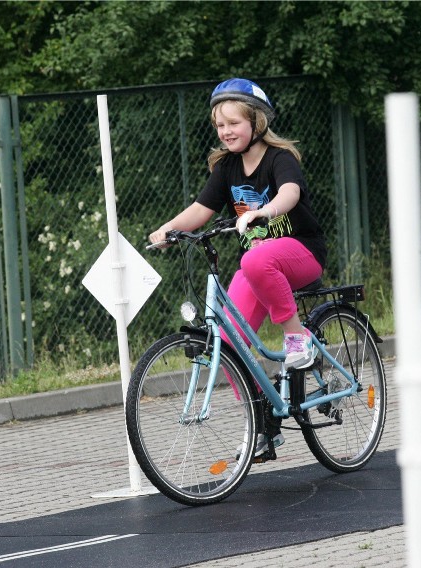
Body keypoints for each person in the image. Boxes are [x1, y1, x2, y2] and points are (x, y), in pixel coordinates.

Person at [149, 78, 328, 455]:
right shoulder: (227, 168)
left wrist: (263, 211)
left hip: (301, 255)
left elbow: (290, 193)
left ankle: (299, 340)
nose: (226, 131)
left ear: (257, 122)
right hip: (259, 266)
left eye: (234, 123)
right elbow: (201, 211)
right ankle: (264, 423)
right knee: (227, 342)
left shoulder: (280, 159)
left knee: (255, 257)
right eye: (220, 125)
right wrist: (167, 229)